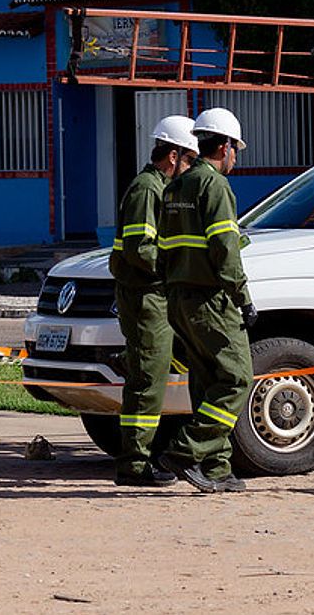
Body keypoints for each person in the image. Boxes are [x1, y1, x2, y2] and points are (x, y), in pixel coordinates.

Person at [156, 107, 258, 494]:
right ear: (227, 146)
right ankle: (187, 451)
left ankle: (215, 467)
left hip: (179, 298)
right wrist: (243, 298)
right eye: (237, 150)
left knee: (206, 380)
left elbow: (163, 248)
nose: (236, 158)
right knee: (235, 378)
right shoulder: (214, 187)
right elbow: (225, 249)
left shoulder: (175, 187)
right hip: (211, 300)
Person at [109, 115, 198, 487]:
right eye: (190, 161)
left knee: (155, 367)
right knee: (149, 381)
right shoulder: (148, 189)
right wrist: (175, 269)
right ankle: (134, 464)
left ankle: (129, 359)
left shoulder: (161, 187)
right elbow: (139, 248)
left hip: (153, 294)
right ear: (173, 155)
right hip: (146, 295)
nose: (191, 169)